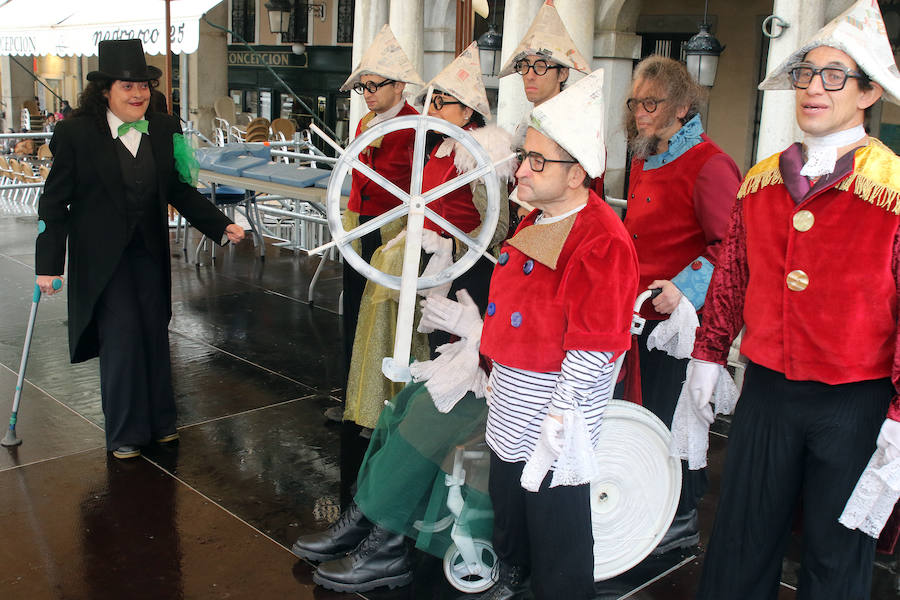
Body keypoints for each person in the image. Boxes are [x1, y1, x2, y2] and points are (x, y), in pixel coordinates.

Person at [677, 2, 900, 597]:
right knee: (741, 537)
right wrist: (708, 353)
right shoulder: (763, 179)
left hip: (855, 399)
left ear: (870, 93)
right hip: (768, 390)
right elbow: (732, 275)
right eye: (805, 73)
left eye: (834, 76)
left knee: (836, 553)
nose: (813, 88)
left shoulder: (893, 189)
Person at [293, 45, 514, 593]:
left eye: (445, 102)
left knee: (428, 408)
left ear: (471, 112)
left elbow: (494, 229)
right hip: (435, 273)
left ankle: (384, 539)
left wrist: (454, 264)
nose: (433, 108)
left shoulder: (480, 153)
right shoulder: (439, 146)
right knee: (407, 407)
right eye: (432, 100)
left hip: (467, 285)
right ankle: (366, 524)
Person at [35, 39, 245, 460]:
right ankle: (126, 432)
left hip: (148, 251)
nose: (138, 94)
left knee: (153, 331)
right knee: (122, 335)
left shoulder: (164, 129)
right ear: (105, 91)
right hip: (102, 258)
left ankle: (161, 423)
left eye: (144, 86)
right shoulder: (76, 133)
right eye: (127, 86)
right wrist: (49, 264)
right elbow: (54, 203)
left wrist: (219, 224)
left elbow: (178, 190)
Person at [477, 69, 638, 600]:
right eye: (524, 156)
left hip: (554, 408)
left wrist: (562, 415)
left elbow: (595, 346)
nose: (521, 168)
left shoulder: (601, 238)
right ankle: (512, 574)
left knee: (556, 521)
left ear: (577, 174)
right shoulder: (538, 218)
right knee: (510, 502)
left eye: (537, 161)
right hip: (512, 395)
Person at [622, 55, 741, 553]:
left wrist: (683, 288)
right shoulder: (644, 158)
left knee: (678, 416)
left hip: (681, 322)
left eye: (651, 103)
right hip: (639, 316)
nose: (640, 113)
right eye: (636, 102)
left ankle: (683, 515)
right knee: (646, 416)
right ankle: (651, 504)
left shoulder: (711, 164)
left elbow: (733, 247)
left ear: (681, 106)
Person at [336, 24, 425, 405]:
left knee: (386, 316)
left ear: (400, 85)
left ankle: (384, 401)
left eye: (375, 85)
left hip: (393, 230)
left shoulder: (418, 127)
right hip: (358, 223)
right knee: (354, 309)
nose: (368, 93)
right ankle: (354, 398)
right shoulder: (363, 123)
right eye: (364, 87)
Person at [496, 0, 598, 226]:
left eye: (541, 66)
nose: (530, 75)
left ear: (563, 74)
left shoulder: (576, 128)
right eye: (525, 66)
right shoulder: (525, 124)